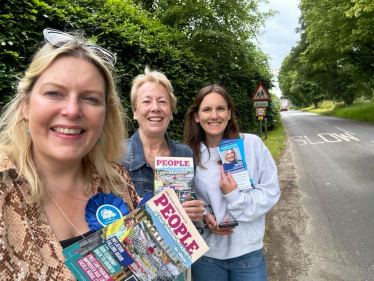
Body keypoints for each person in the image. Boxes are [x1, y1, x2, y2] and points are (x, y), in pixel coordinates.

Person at [0, 28, 139, 280]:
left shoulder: (118, 181)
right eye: (54, 93)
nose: (72, 110)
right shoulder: (3, 187)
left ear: (105, 116)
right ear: (26, 106)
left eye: (90, 98)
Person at [184, 84, 280, 281]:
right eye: (206, 109)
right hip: (207, 257)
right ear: (196, 116)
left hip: (248, 255)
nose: (214, 115)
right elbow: (185, 203)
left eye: (220, 108)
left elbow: (271, 192)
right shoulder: (188, 154)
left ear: (229, 113)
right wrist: (203, 219)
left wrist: (234, 197)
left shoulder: (252, 145)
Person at [120, 67, 204, 223]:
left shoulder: (185, 154)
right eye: (146, 101)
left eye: (162, 101)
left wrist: (196, 215)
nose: (155, 108)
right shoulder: (116, 154)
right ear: (135, 111)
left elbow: (189, 217)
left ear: (171, 112)